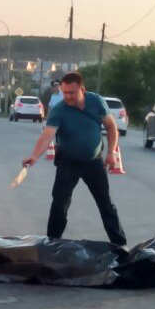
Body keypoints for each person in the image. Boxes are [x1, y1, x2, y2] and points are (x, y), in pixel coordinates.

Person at [22, 72, 127, 246]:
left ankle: (120, 245)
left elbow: (111, 126)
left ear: (82, 90)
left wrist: (111, 153)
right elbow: (47, 135)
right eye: (65, 93)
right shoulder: (59, 110)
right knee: (59, 204)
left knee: (106, 204)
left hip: (94, 161)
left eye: (72, 93)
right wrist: (34, 156)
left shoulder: (96, 101)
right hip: (68, 162)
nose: (68, 97)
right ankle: (52, 243)